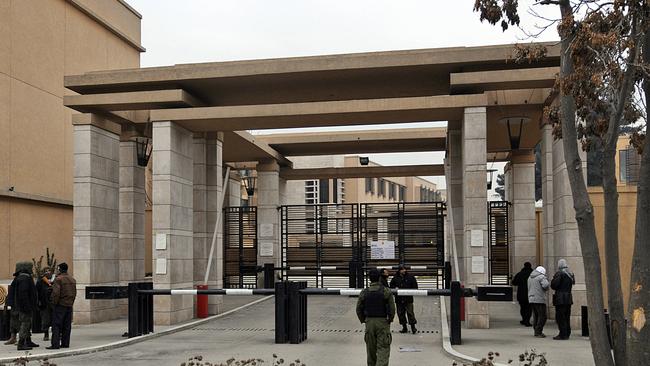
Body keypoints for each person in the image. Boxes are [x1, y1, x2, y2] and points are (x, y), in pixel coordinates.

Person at [356, 269, 396, 366]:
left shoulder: (364, 292)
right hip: (382, 322)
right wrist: (389, 320)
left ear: (369, 278)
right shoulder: (386, 291)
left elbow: (358, 309)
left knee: (371, 352)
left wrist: (364, 320)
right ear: (379, 278)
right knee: (383, 350)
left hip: (369, 322)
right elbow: (392, 309)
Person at [48, 262, 76, 350]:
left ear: (60, 269)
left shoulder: (58, 279)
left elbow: (56, 293)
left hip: (60, 305)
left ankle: (55, 344)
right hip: (69, 305)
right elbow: (74, 293)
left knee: (56, 325)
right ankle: (65, 343)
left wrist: (53, 303)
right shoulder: (72, 279)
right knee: (67, 325)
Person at [14, 261, 39, 350]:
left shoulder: (23, 278)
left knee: (28, 324)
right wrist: (27, 307)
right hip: (25, 307)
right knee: (25, 324)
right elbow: (23, 294)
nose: (32, 269)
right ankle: (21, 344)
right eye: (30, 268)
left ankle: (28, 341)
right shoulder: (24, 279)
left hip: (25, 306)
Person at [389, 265, 418, 334]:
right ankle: (404, 327)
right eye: (402, 269)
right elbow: (391, 286)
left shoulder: (410, 277)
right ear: (399, 270)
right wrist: (395, 288)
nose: (404, 270)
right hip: (399, 299)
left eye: (405, 269)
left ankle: (413, 327)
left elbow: (415, 287)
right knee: (400, 313)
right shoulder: (395, 278)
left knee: (410, 313)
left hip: (408, 299)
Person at [551, 258, 575, 340]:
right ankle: (567, 333)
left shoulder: (560, 273)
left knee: (560, 317)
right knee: (567, 316)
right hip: (568, 297)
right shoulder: (570, 274)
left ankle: (562, 334)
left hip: (560, 298)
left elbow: (554, 285)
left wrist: (553, 279)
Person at [527, 265, 550, 338]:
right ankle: (538, 331)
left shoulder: (530, 277)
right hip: (539, 299)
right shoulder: (541, 277)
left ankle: (536, 330)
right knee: (543, 316)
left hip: (531, 299)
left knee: (536, 315)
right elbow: (546, 285)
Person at [512, 262, 533, 327]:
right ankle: (527, 321)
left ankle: (524, 319)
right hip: (530, 293)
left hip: (521, 294)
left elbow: (514, 282)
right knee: (529, 308)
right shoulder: (532, 274)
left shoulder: (520, 274)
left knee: (523, 308)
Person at [36, 267, 53, 341]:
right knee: (45, 319)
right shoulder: (40, 281)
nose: (48, 272)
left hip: (54, 303)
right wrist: (38, 301)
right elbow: (37, 292)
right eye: (46, 271)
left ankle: (55, 334)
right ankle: (46, 334)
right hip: (44, 303)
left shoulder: (55, 280)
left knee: (54, 320)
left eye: (49, 271)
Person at [3, 269, 20, 346]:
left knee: (19, 323)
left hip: (19, 305)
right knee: (13, 322)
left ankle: (21, 339)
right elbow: (10, 293)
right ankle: (13, 337)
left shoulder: (21, 281)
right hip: (14, 305)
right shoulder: (15, 282)